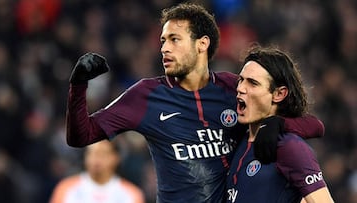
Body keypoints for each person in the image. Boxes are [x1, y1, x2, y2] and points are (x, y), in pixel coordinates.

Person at [66, 3, 325, 202]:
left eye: (174, 40)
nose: (164, 48)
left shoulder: (232, 87)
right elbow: (81, 135)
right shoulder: (145, 95)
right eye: (163, 41)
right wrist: (78, 87)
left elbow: (315, 125)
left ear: (202, 44)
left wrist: (278, 123)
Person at [225, 45, 334, 203]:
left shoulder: (290, 146)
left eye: (253, 83)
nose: (240, 88)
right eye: (241, 80)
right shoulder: (239, 138)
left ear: (279, 94)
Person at [49, 140, 145, 203]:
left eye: (102, 154)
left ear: (116, 158)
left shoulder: (131, 194)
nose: (96, 159)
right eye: (92, 153)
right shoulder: (66, 188)